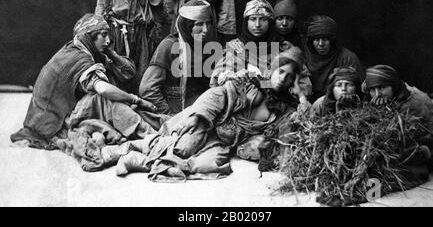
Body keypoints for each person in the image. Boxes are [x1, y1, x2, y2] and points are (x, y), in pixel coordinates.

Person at [98, 47, 305, 181]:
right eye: (281, 72)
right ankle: (126, 150)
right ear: (272, 70)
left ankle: (138, 158)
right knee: (183, 147)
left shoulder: (286, 109)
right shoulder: (250, 83)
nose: (283, 79)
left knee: (213, 165)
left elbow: (298, 125)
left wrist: (301, 95)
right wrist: (199, 116)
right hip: (207, 121)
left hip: (224, 141)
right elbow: (217, 94)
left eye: (290, 77)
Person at [10, 14, 158, 151]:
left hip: (57, 115)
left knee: (113, 95)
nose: (108, 40)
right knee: (102, 100)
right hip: (49, 124)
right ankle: (151, 136)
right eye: (103, 35)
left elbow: (129, 73)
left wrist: (109, 52)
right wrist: (136, 99)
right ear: (89, 36)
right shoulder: (77, 58)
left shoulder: (80, 49)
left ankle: (149, 127)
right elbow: (103, 90)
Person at [139, 0, 216, 115]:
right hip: (177, 109)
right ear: (187, 25)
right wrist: (170, 115)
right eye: (199, 24)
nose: (205, 30)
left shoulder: (205, 47)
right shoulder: (169, 46)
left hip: (201, 107)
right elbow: (147, 89)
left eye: (208, 23)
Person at [363, 65, 433, 166]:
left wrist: (384, 111)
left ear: (393, 86)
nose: (377, 94)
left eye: (382, 88)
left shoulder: (413, 102)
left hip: (426, 145)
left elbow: (402, 136)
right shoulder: (388, 95)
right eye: (372, 89)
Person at [304, 15, 363, 102]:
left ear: (332, 40)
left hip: (340, 103)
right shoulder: (304, 56)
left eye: (325, 39)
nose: (321, 44)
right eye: (316, 39)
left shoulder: (347, 57)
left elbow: (358, 88)